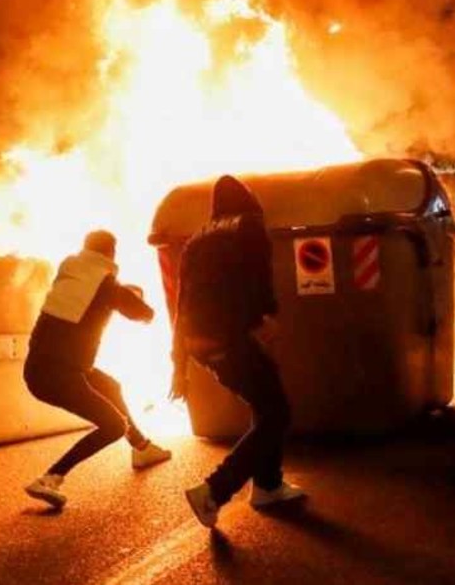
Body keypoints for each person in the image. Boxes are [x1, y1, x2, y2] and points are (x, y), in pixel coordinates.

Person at [172, 176, 304, 528]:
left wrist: (178, 362)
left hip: (198, 340)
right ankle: (214, 490)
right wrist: (266, 316)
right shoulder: (249, 225)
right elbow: (257, 278)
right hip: (229, 336)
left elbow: (181, 300)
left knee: (265, 405)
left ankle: (267, 485)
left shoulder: (197, 238)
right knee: (277, 412)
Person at [22, 231, 172, 509]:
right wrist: (131, 295)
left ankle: (142, 448)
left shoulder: (69, 274)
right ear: (111, 254)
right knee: (114, 425)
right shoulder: (107, 287)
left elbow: (93, 296)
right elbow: (144, 314)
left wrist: (120, 292)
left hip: (43, 368)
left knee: (111, 386)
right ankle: (51, 478)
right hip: (58, 376)